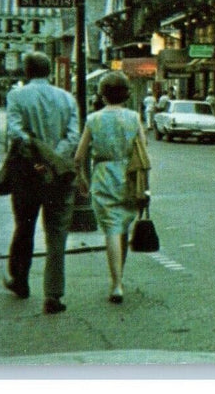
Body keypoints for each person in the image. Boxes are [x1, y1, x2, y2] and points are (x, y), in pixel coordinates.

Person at [3, 52, 80, 315]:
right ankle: (54, 295)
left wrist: (38, 155)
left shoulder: (17, 96)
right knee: (57, 234)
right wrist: (54, 158)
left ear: (26, 71)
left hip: (27, 173)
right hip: (59, 175)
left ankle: (20, 281)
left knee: (24, 227)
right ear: (48, 71)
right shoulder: (67, 98)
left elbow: (15, 132)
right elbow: (73, 136)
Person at [74, 72, 145, 304]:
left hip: (103, 175)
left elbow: (78, 156)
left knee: (112, 228)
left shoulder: (93, 120)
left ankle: (116, 284)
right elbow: (142, 150)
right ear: (126, 94)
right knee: (122, 226)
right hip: (129, 175)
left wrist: (82, 178)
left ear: (102, 95)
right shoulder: (134, 117)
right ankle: (120, 277)